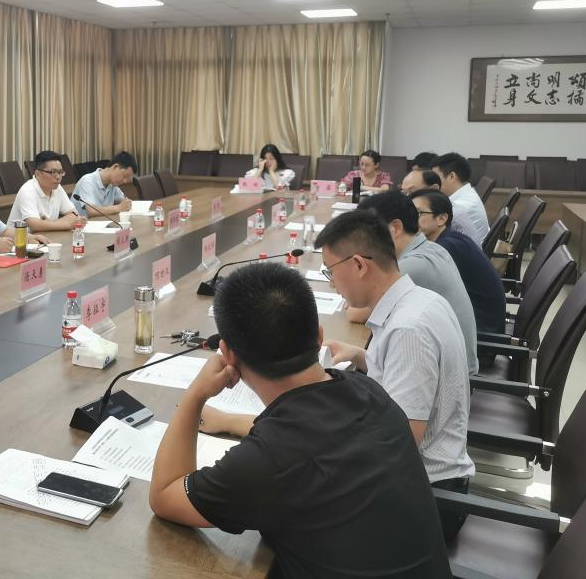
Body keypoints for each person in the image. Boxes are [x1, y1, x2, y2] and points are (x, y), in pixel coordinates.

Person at [149, 262, 451, 577]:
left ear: (228, 354)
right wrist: (228, 422)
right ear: (319, 336)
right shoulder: (366, 390)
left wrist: (195, 395)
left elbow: (165, 494)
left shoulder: (268, 461)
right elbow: (308, 443)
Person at [316, 211, 474, 541]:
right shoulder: (419, 300)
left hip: (427, 499)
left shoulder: (408, 329)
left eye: (330, 271)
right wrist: (359, 355)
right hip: (421, 479)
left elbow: (399, 442)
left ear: (358, 265)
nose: (332, 283)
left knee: (291, 511)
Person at [357, 190, 478, 374]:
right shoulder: (430, 248)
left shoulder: (415, 264)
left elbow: (358, 312)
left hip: (447, 376)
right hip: (440, 362)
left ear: (395, 228)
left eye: (366, 233)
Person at [413, 189, 506, 338]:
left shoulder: (446, 249)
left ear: (441, 219)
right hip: (475, 325)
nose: (409, 219)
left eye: (418, 213)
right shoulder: (451, 239)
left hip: (480, 334)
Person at [7, 150, 78, 232]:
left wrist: (48, 224)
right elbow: (35, 226)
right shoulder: (28, 190)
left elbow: (74, 215)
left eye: (60, 172)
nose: (58, 177)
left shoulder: (57, 188)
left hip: (45, 236)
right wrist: (66, 224)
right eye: (53, 172)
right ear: (38, 174)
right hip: (19, 238)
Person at [432, 152, 489, 245]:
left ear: (451, 176)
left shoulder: (461, 206)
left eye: (436, 178)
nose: (433, 183)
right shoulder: (467, 193)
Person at [71, 151, 137, 217]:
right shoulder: (87, 181)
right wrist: (119, 208)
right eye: (125, 176)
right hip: (82, 223)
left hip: (102, 222)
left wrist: (126, 204)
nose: (125, 181)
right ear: (115, 167)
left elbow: (125, 201)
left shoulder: (112, 185)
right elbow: (92, 211)